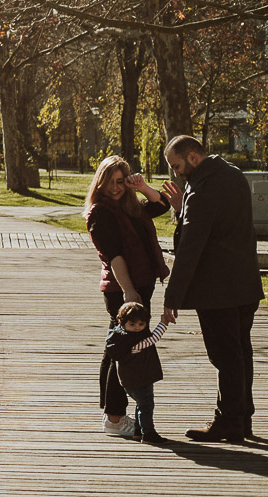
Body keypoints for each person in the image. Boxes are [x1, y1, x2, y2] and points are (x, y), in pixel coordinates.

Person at [162, 133, 264, 442]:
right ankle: (241, 417)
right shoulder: (232, 174)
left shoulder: (203, 190)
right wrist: (183, 207)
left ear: (193, 157)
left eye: (177, 166)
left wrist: (172, 297)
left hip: (218, 289)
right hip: (245, 283)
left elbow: (191, 247)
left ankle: (229, 421)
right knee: (239, 352)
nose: (176, 173)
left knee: (224, 356)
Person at [84, 155, 171, 438]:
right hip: (122, 290)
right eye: (109, 182)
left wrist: (143, 187)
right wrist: (129, 292)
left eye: (120, 181)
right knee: (119, 353)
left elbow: (162, 204)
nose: (115, 188)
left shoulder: (131, 208)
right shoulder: (100, 213)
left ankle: (116, 417)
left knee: (120, 351)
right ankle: (114, 418)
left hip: (141, 287)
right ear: (99, 182)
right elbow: (114, 256)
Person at [104, 301, 171, 444]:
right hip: (139, 378)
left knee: (141, 404)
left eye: (141, 324)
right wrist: (164, 323)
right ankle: (148, 433)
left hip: (130, 379)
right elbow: (154, 338)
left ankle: (137, 431)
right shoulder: (134, 342)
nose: (137, 328)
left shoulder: (119, 336)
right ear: (122, 323)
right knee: (146, 405)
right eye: (132, 324)